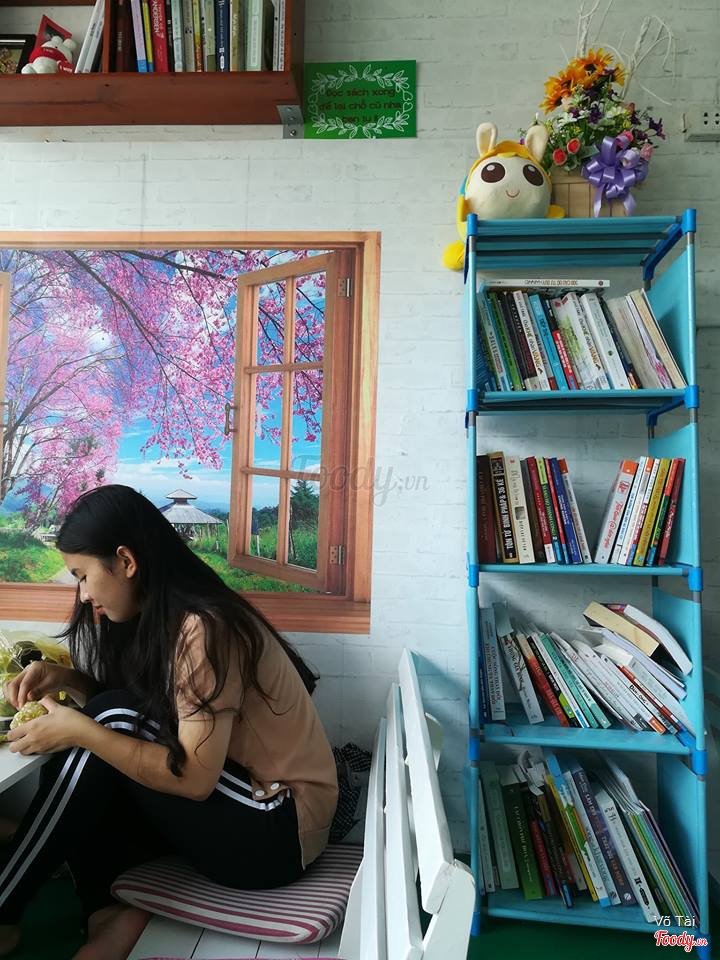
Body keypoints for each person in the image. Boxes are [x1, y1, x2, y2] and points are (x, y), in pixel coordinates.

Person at [0, 485, 338, 960]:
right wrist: (69, 681)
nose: (83, 594)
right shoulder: (162, 618)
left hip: (278, 829)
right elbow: (145, 720)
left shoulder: (205, 627)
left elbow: (193, 778)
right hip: (244, 811)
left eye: (83, 575)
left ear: (126, 561)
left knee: (97, 728)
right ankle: (106, 915)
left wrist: (82, 728)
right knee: (98, 733)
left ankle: (4, 909)